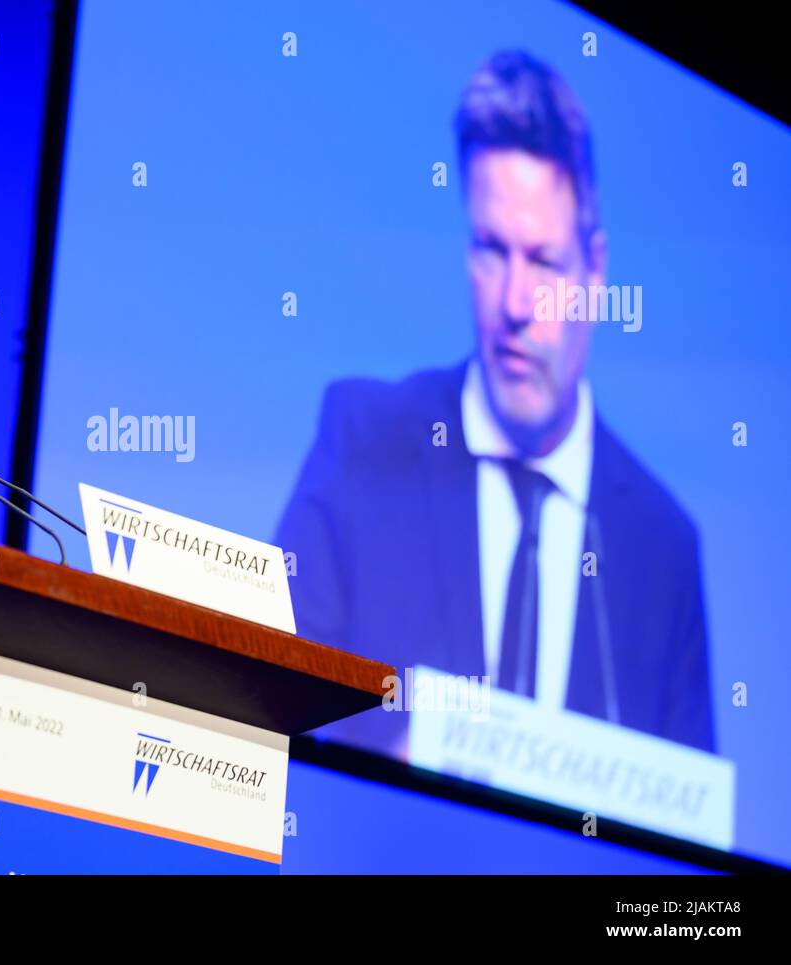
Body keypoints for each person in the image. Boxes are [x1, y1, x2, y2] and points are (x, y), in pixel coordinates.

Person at [276, 51, 714, 758]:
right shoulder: (364, 442)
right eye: (489, 250)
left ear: (594, 272)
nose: (514, 303)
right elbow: (265, 714)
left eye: (542, 261)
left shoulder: (660, 545)